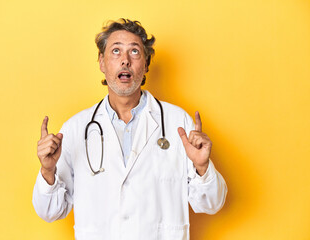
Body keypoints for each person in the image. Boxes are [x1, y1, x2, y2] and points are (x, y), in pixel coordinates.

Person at [33, 19, 227, 240]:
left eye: (134, 52)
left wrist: (202, 167)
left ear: (145, 65)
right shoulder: (77, 129)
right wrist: (48, 172)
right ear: (101, 62)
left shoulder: (178, 123)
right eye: (115, 51)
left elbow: (211, 204)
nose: (125, 60)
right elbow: (49, 211)